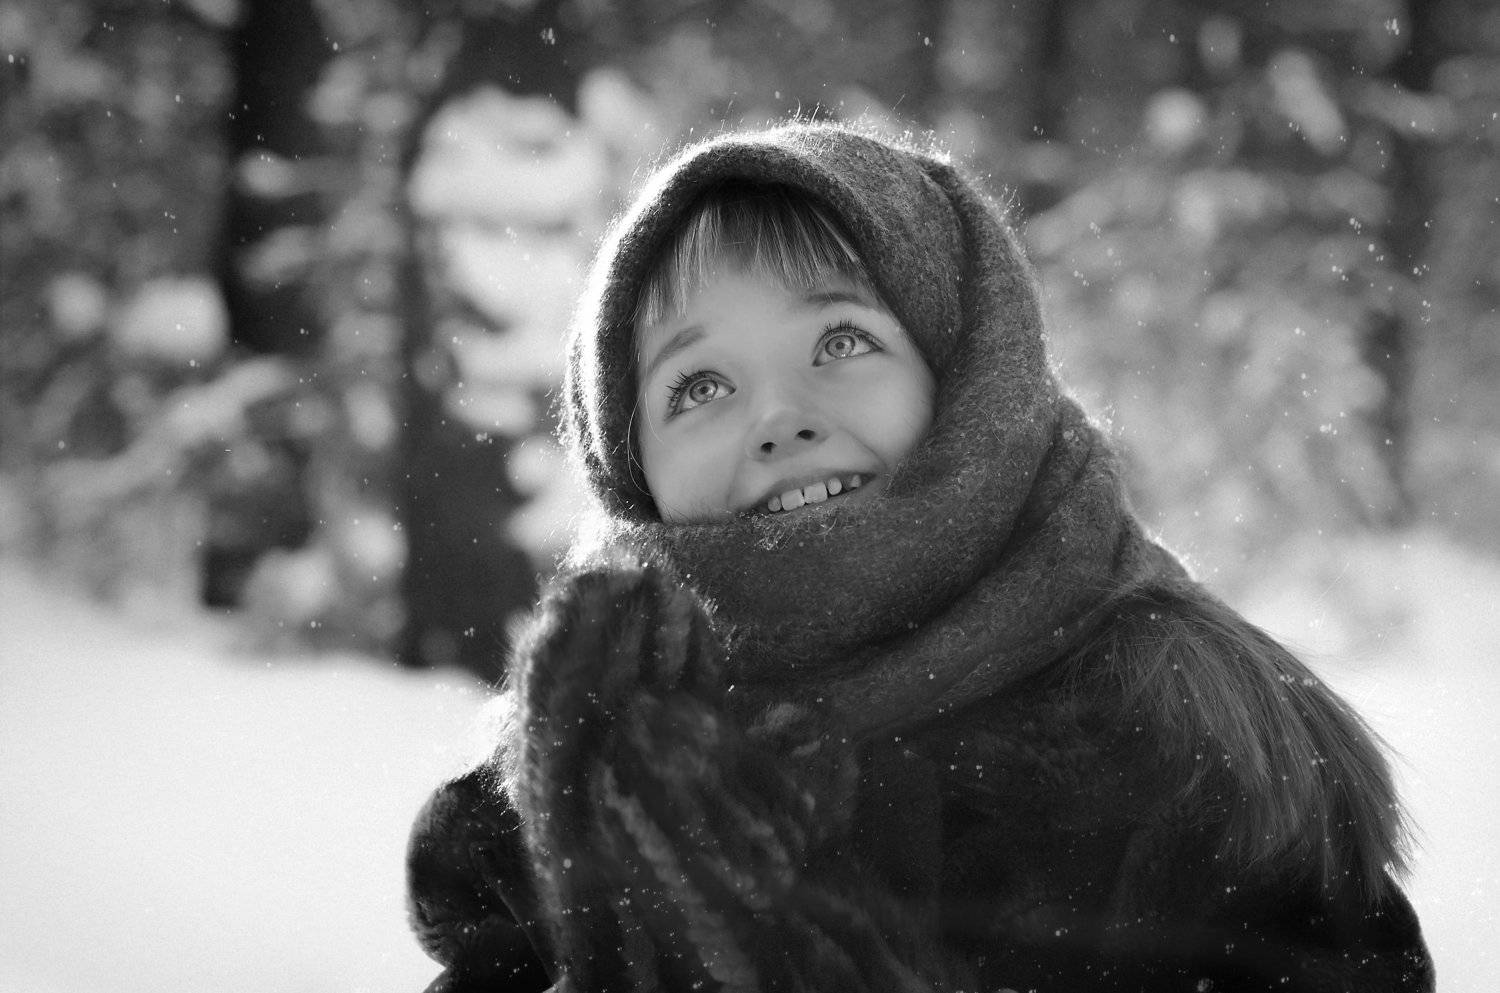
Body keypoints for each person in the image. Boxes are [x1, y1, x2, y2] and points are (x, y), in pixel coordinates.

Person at [405, 122, 1434, 992]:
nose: (778, 419)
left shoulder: (1191, 755)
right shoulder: (581, 784)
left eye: (840, 342)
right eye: (700, 386)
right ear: (632, 472)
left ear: (964, 370)